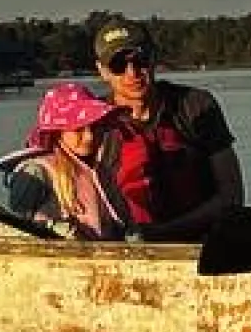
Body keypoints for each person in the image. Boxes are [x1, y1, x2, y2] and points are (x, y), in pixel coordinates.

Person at [88, 21, 242, 240]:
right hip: (124, 246)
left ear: (153, 59)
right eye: (118, 65)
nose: (132, 73)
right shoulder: (90, 123)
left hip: (199, 243)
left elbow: (231, 195)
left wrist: (161, 233)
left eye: (140, 60)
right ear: (102, 71)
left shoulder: (196, 105)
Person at [0, 82, 133, 239]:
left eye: (95, 127)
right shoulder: (35, 171)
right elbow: (11, 229)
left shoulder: (99, 172)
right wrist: (59, 230)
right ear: (58, 132)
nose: (89, 137)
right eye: (78, 129)